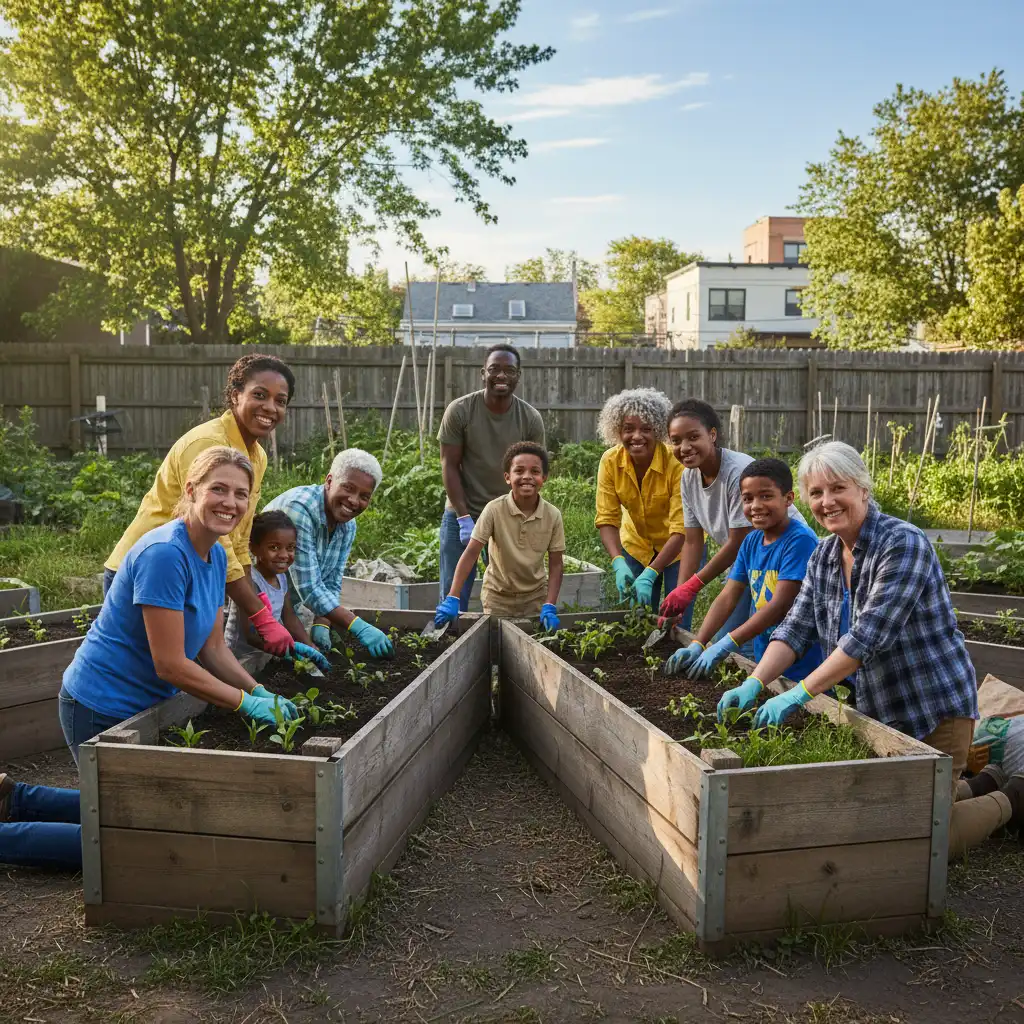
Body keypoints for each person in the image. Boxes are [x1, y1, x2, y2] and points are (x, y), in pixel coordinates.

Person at [717, 441, 1023, 859]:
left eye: (837, 488)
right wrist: (755, 681)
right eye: (817, 493)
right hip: (878, 708)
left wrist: (799, 693)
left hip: (932, 708)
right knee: (888, 820)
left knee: (920, 847)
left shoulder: (903, 544)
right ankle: (982, 781)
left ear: (863, 488)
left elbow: (867, 637)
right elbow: (795, 627)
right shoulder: (825, 554)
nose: (827, 502)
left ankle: (1013, 797)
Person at [1, 448, 298, 871]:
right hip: (99, 705)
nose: (230, 502)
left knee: (136, 813)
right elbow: (172, 665)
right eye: (218, 489)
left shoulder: (215, 556)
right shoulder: (165, 555)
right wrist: (242, 703)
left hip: (143, 706)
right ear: (191, 491)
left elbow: (212, 648)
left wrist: (259, 690)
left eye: (240, 493)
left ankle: (15, 799)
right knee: (128, 843)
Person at [105, 354, 297, 658]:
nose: (270, 408)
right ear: (235, 396)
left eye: (281, 400)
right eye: (259, 395)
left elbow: (238, 537)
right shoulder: (207, 444)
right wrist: (261, 615)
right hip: (147, 569)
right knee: (148, 674)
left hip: (191, 570)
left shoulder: (256, 456)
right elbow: (219, 537)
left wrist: (258, 610)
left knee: (184, 676)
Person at [666, 458, 823, 686]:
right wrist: (699, 643)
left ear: (789, 498)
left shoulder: (800, 541)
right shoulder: (751, 541)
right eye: (748, 499)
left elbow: (779, 606)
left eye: (766, 496)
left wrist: (726, 643)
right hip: (765, 652)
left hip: (799, 660)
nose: (756, 505)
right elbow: (728, 596)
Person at [658, 399, 805, 640]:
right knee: (732, 639)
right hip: (749, 559)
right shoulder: (687, 479)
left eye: (693, 437)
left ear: (712, 435)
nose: (684, 447)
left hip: (781, 552)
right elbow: (693, 542)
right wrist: (680, 595)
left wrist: (693, 586)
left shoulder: (737, 471)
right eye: (676, 441)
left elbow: (739, 540)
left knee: (751, 636)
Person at [437, 344, 545, 611]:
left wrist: (525, 517)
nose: (502, 376)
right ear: (483, 373)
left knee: (509, 589)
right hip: (465, 511)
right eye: (495, 369)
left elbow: (535, 471)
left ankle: (505, 639)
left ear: (518, 377)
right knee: (454, 590)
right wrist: (463, 517)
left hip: (507, 515)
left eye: (510, 370)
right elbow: (449, 465)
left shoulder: (530, 418)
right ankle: (451, 639)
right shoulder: (460, 410)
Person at [265, 448, 394, 658]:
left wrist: (322, 622)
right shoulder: (299, 510)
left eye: (364, 496)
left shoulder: (347, 526)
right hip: (257, 600)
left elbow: (332, 581)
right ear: (329, 481)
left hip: (288, 606)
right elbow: (309, 587)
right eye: (348, 488)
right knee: (254, 659)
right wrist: (357, 625)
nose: (354, 500)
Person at [435, 442, 564, 625]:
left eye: (535, 472)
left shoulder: (553, 515)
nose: (527, 477)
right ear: (507, 477)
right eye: (519, 471)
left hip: (535, 598)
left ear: (544, 477)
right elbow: (471, 552)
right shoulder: (494, 510)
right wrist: (453, 596)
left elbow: (556, 564)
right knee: (495, 646)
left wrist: (549, 604)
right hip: (497, 598)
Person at [594, 389, 684, 610]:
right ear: (617, 430)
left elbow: (682, 529)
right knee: (637, 617)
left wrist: (651, 573)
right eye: (628, 429)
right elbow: (607, 518)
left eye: (646, 429)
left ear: (659, 430)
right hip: (636, 545)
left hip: (679, 549)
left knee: (675, 615)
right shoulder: (610, 461)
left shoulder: (677, 464)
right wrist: (618, 562)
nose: (636, 436)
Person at [223, 510, 330, 675]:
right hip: (239, 657)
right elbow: (250, 634)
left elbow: (290, 617)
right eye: (274, 547)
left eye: (290, 548)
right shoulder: (249, 582)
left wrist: (309, 646)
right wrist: (291, 649)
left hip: (266, 654)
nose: (283, 555)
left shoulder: (281, 578)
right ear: (254, 548)